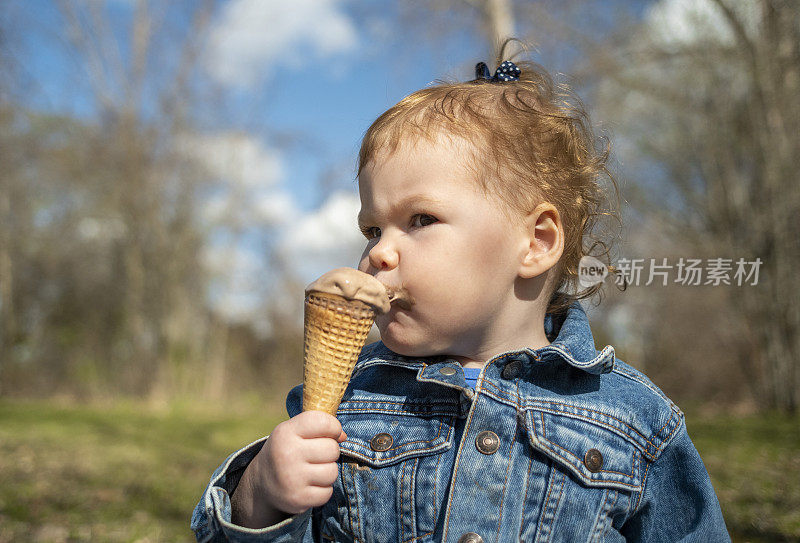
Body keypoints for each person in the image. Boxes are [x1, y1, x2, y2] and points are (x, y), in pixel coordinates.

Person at [191, 48, 731, 542]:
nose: (379, 253)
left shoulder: (633, 420)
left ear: (536, 242)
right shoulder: (347, 401)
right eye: (372, 230)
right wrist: (258, 495)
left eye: (420, 219)